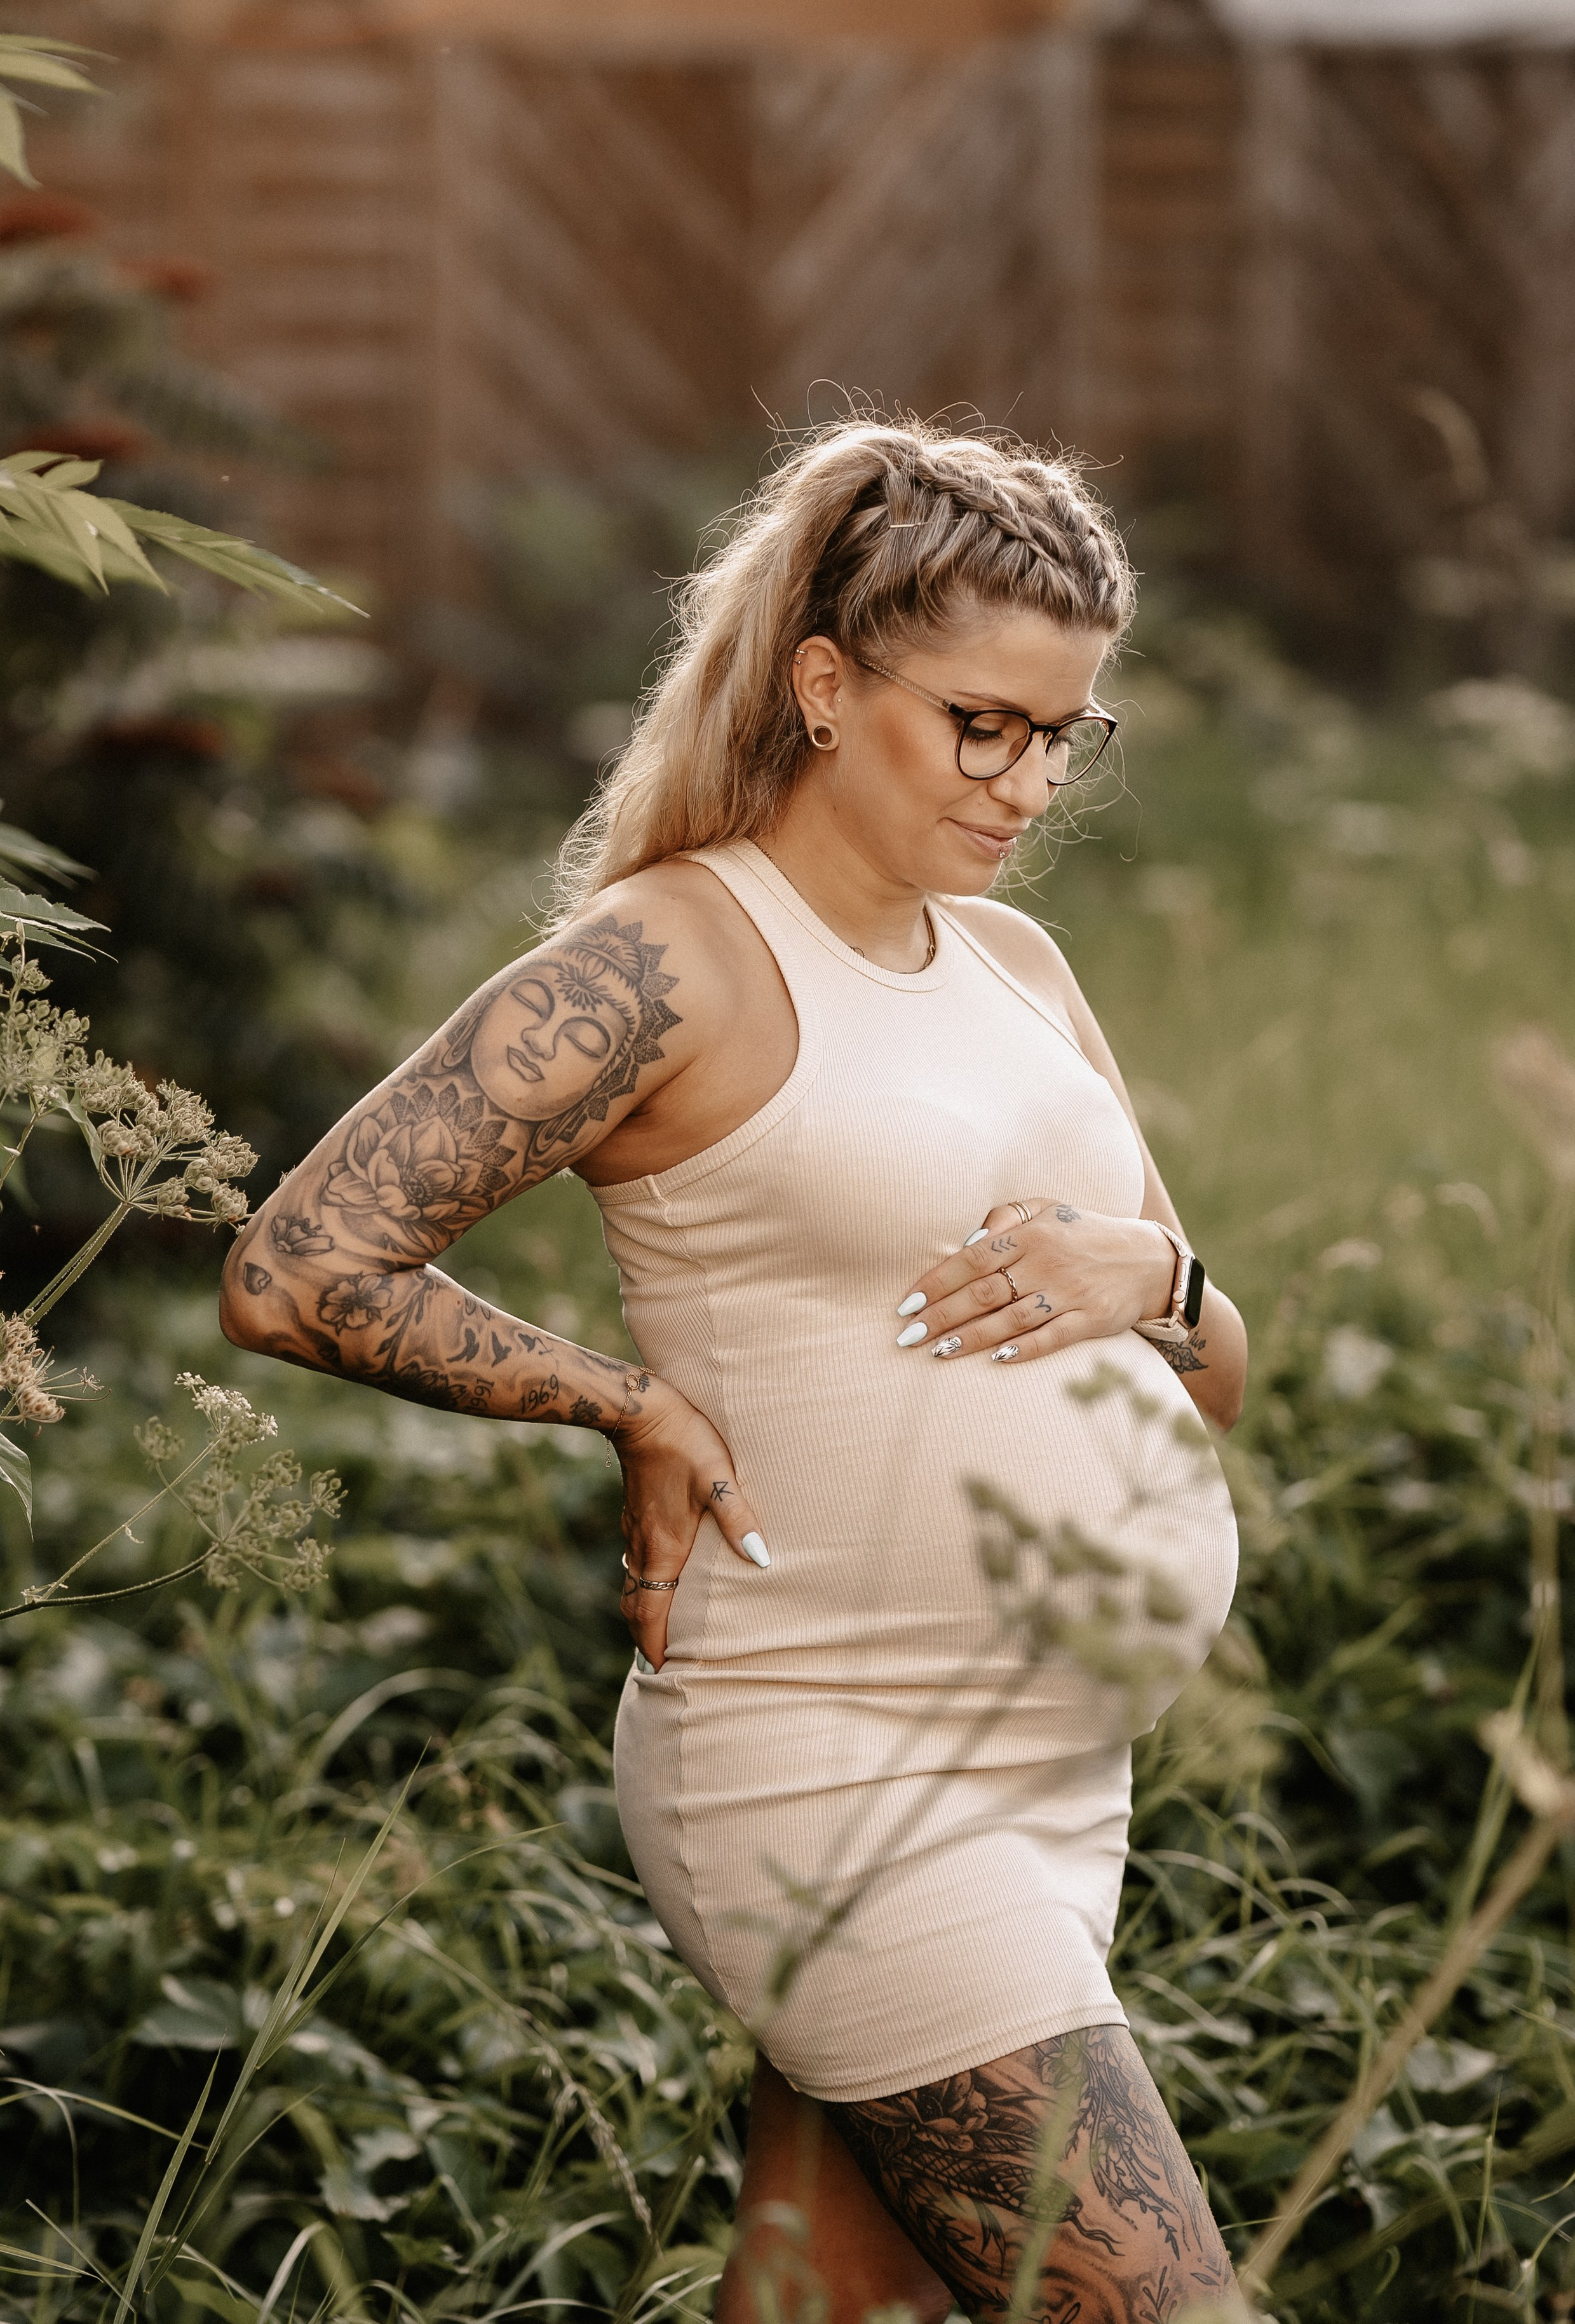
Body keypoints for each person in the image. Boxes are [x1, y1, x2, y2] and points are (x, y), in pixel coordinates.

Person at [222, 419, 1249, 2321]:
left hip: (1052, 1776)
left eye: (1065, 733)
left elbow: (1219, 1377)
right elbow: (298, 1265)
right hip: (835, 1769)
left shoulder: (1019, 969)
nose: (1025, 782)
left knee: (832, 2310)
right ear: (826, 681)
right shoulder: (671, 958)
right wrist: (619, 1399)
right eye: (982, 725)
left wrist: (1162, 1275)